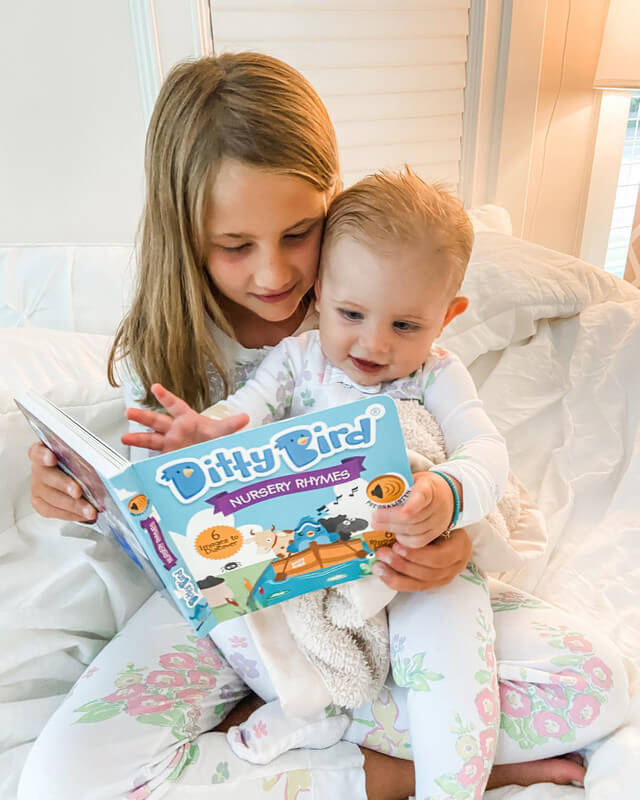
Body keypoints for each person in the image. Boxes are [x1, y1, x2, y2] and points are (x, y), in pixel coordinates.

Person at [21, 53, 628, 800]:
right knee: (59, 784)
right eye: (234, 246)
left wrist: (452, 535)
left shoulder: (385, 294)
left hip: (387, 587)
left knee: (596, 684)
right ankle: (408, 765)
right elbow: (143, 468)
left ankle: (343, 728)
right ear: (185, 232)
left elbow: (461, 453)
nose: (273, 274)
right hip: (237, 604)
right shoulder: (167, 345)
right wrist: (71, 479)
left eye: (299, 232)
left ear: (333, 205)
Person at [122, 168, 513, 798]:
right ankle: (316, 710)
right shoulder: (298, 362)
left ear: (448, 317)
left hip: (406, 558)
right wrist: (204, 434)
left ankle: (450, 781)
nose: (373, 343)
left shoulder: (438, 377)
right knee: (223, 591)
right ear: (320, 293)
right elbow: (242, 416)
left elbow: (488, 452)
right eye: (351, 313)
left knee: (456, 652)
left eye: (406, 326)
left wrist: (447, 494)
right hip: (313, 560)